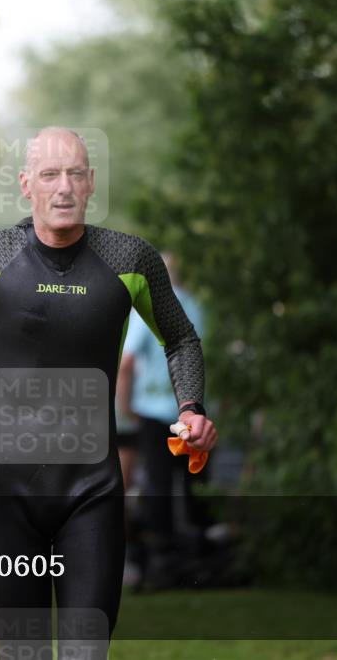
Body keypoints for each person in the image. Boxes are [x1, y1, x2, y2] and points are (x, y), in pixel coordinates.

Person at [0, 127, 218, 655]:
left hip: (93, 494)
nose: (64, 187)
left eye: (75, 172)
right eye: (50, 174)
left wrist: (191, 407)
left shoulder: (131, 260)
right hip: (9, 494)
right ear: (27, 184)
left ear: (91, 182)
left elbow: (181, 338)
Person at [117, 253, 214, 590]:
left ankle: (161, 561)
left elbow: (126, 363)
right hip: (197, 413)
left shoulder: (147, 311)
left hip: (156, 412)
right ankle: (201, 557)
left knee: (156, 487)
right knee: (195, 486)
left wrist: (126, 404)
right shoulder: (200, 307)